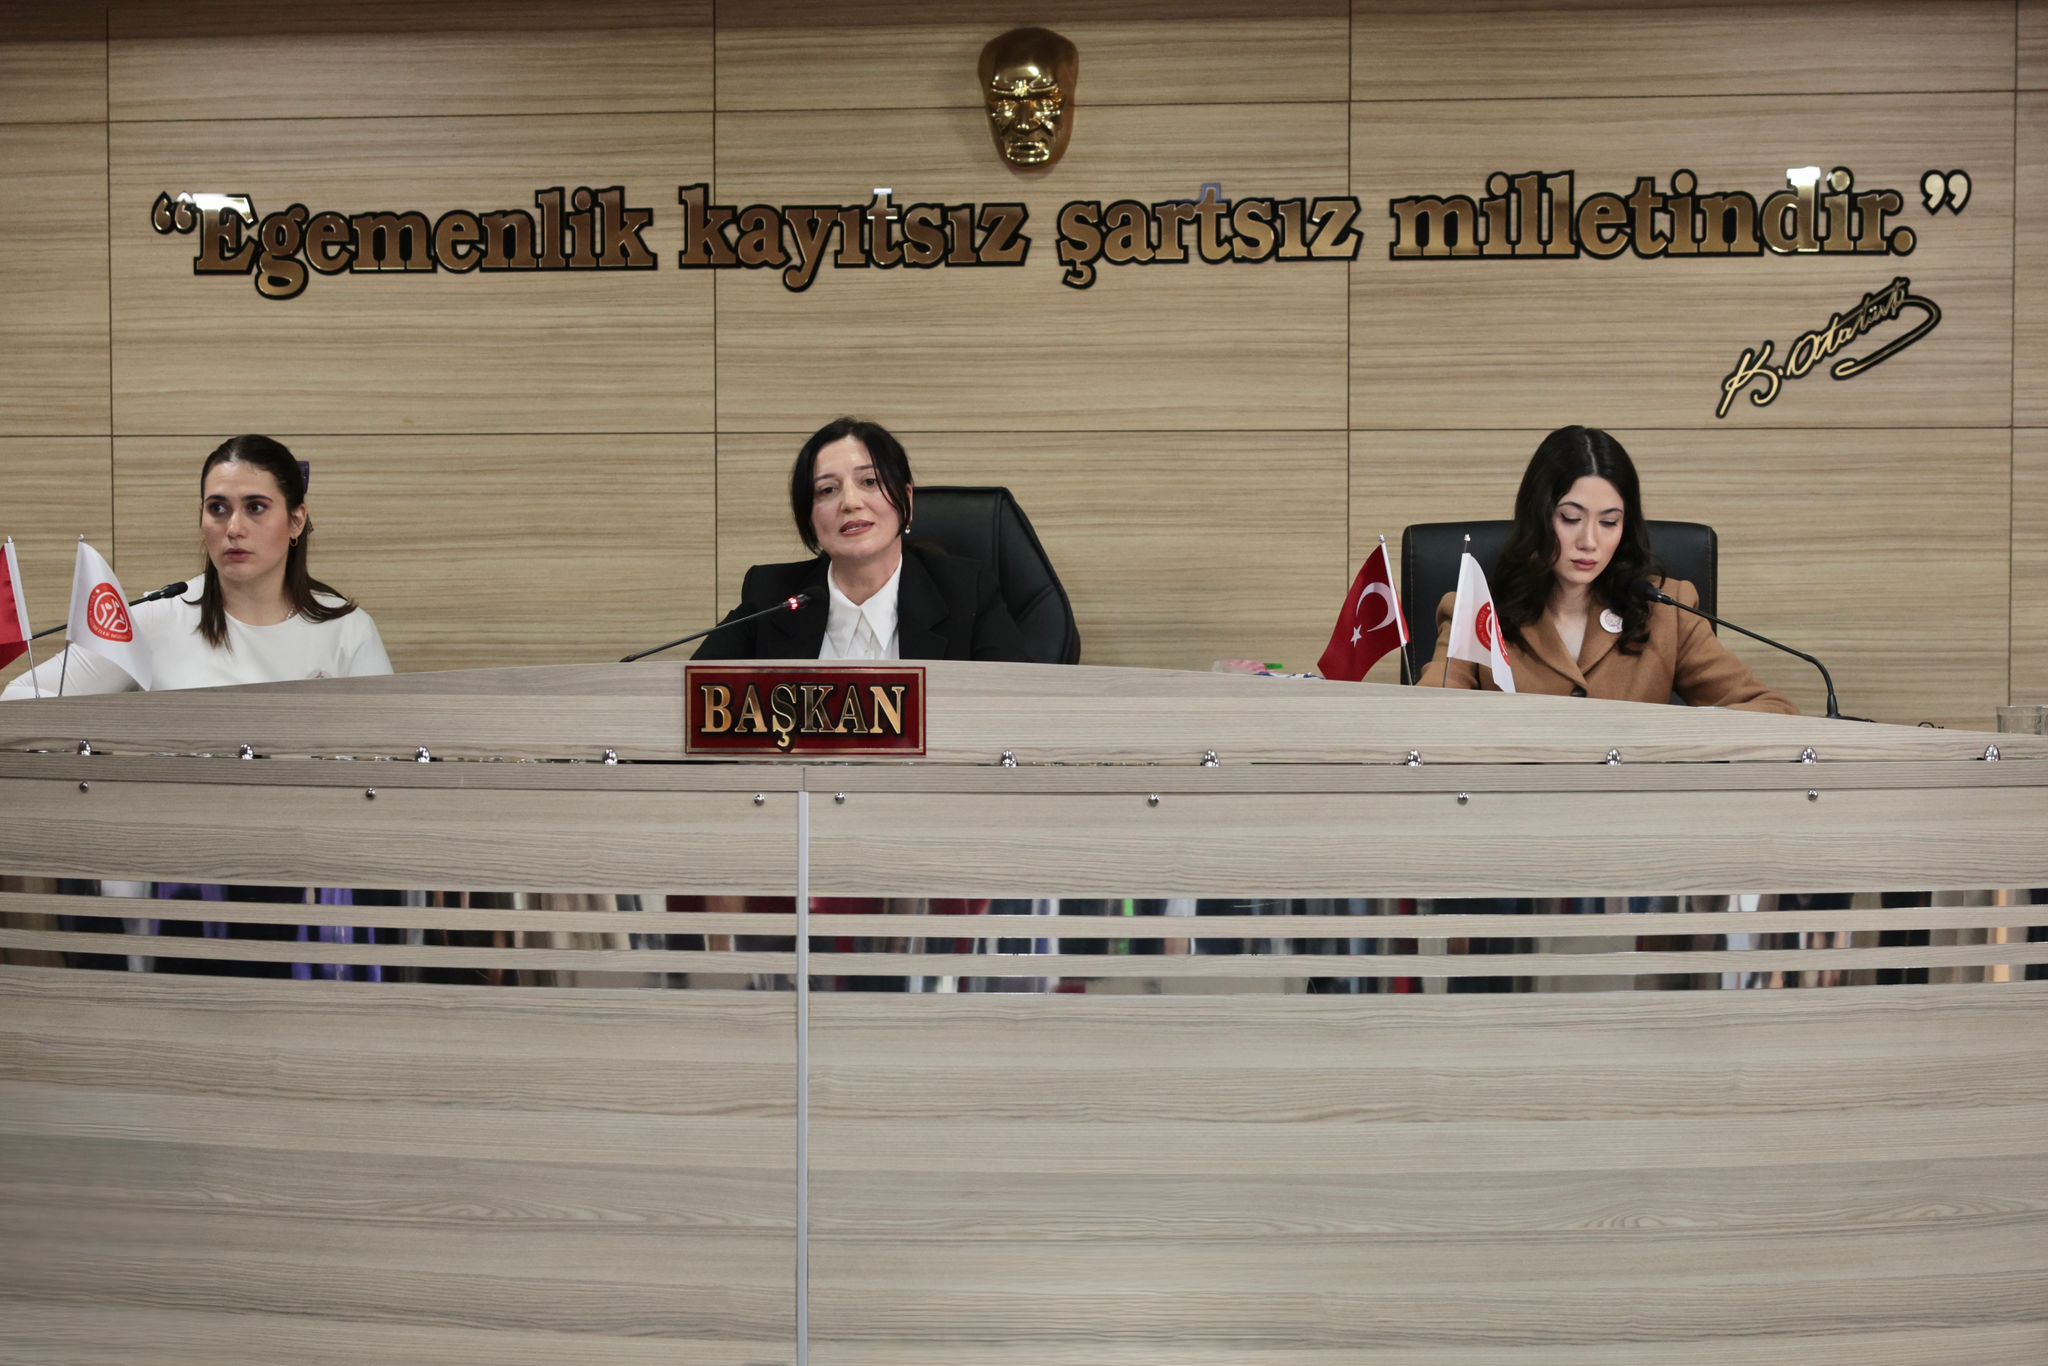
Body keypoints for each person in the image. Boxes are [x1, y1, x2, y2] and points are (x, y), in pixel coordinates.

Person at [1418, 425, 1794, 712]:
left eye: (1609, 522)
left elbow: (1770, 709)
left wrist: (1678, 743)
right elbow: (1428, 716)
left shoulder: (1667, 610)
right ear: (1538, 517)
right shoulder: (1478, 610)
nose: (1589, 541)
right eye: (1570, 518)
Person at [3, 433, 390, 698]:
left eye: (256, 507)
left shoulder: (348, 629)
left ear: (295, 520)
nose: (234, 528)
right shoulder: (154, 619)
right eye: (218, 508)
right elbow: (20, 699)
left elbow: (390, 754)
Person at [694, 416, 1028, 662]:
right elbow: (693, 697)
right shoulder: (771, 597)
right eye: (828, 490)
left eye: (869, 482)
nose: (850, 503)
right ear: (809, 518)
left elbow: (1020, 708)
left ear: (907, 500)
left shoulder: (967, 593)